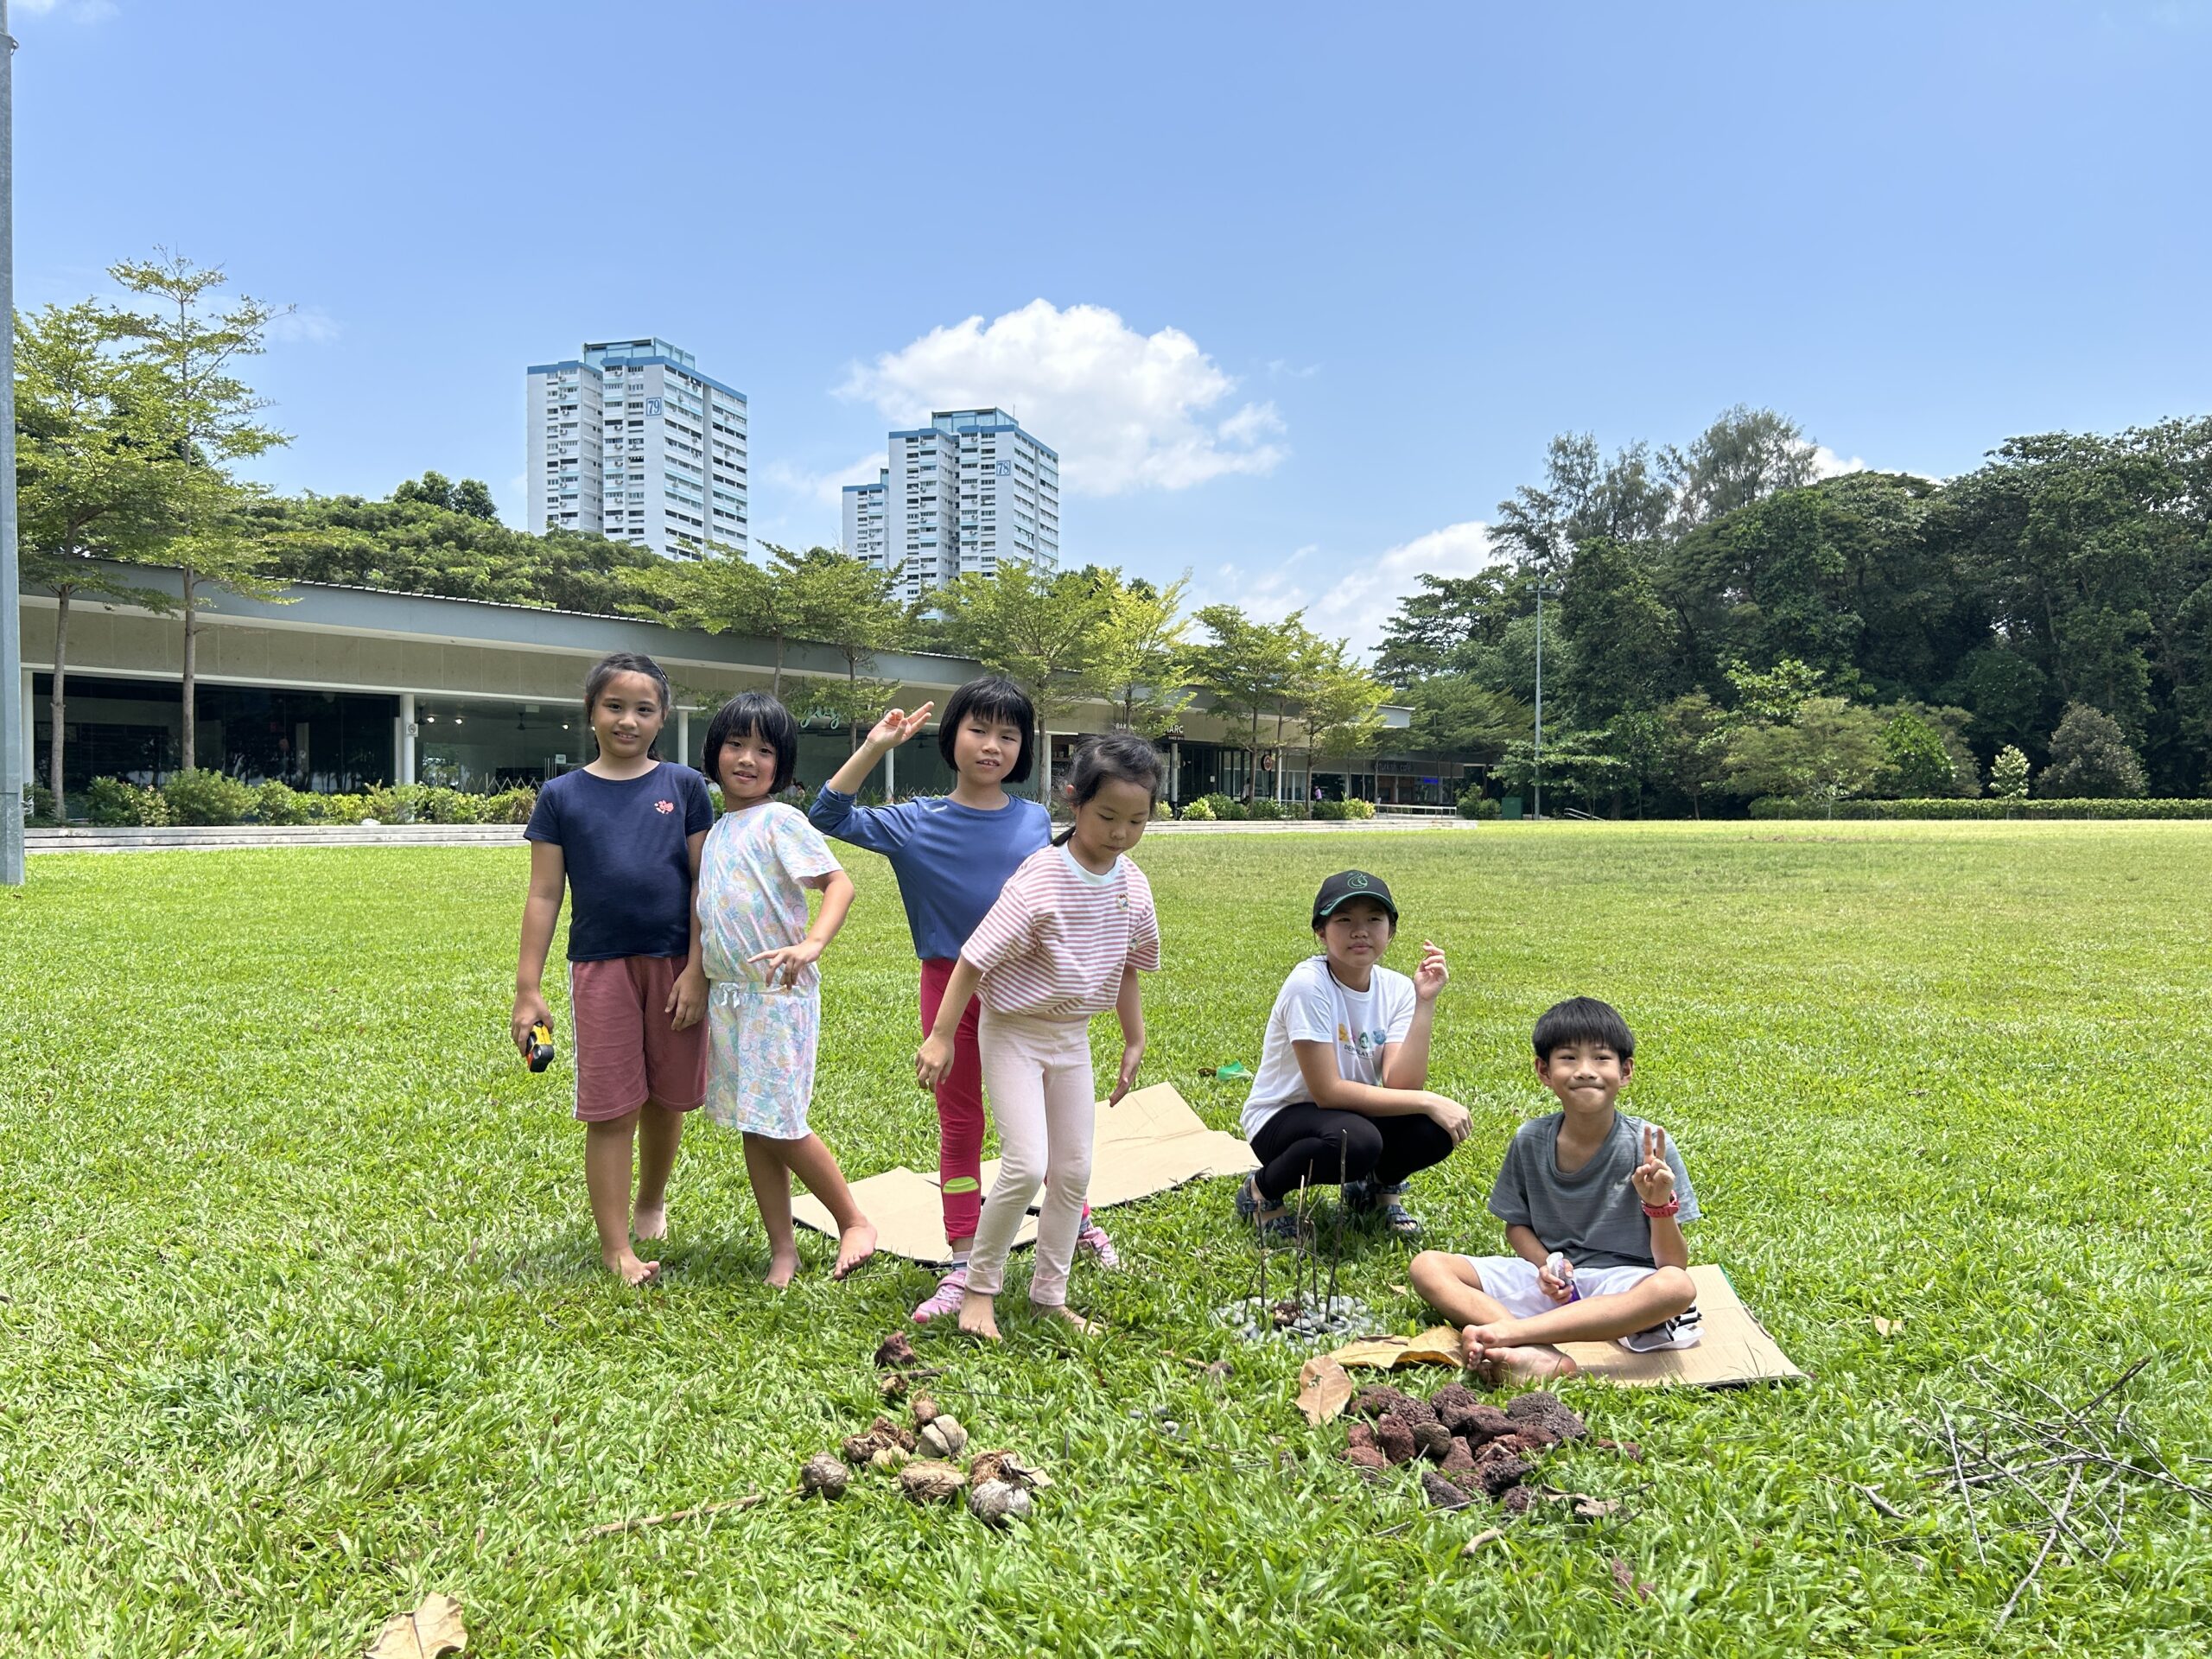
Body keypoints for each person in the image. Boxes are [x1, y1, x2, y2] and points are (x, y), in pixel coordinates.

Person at [810, 677, 1122, 1324]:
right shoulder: (913, 823)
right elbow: (828, 815)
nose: (992, 746)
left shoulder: (1035, 820)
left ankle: (1076, 1218)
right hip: (949, 989)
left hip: (1028, 992)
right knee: (962, 1124)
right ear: (950, 737)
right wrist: (875, 745)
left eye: (1009, 735)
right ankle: (962, 1257)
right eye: (978, 730)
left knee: (1050, 1125)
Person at [914, 733, 1163, 1341]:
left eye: (1136, 821)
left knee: (1074, 1170)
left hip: (1071, 1038)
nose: (1120, 833)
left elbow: (1130, 963)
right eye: (1107, 817)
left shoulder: (1132, 884)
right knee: (1026, 1165)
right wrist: (941, 1036)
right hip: (1015, 1034)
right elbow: (972, 958)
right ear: (1073, 803)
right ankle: (979, 1288)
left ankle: (1049, 1295)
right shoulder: (1043, 876)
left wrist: (1133, 1038)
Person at [513, 652, 711, 1286]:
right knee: (611, 1109)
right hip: (600, 969)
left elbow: (704, 884)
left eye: (643, 709)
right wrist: (528, 988)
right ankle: (616, 1246)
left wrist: (699, 970)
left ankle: (651, 1199)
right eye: (614, 706)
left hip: (678, 964)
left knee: (666, 1099)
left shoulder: (683, 787)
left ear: (663, 719)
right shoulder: (561, 795)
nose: (628, 720)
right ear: (591, 713)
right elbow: (545, 895)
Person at [1408, 995, 1701, 1384]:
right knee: (1427, 1265)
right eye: (1568, 1058)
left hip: (1624, 1285)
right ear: (1544, 1071)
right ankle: (1536, 1349)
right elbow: (1517, 1225)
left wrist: (1659, 1205)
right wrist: (1545, 1264)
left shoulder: (1649, 1145)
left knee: (1676, 1288)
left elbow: (1672, 1265)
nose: (1585, 1071)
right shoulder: (1530, 1139)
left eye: (1601, 1058)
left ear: (1626, 1071)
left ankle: (1512, 1334)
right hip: (1556, 1282)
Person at [696, 692, 875, 1287]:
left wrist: (813, 945)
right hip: (731, 998)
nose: (747, 759)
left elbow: (839, 884)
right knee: (756, 1124)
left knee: (782, 1123)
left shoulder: (780, 820)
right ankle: (784, 1248)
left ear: (783, 764)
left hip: (779, 994)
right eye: (736, 744)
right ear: (714, 751)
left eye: (764, 750)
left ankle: (853, 1220)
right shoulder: (719, 830)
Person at [1233, 871, 1467, 1242]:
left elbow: (1400, 1084)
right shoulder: (1308, 985)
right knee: (1358, 1141)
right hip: (1280, 1119)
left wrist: (1425, 1001)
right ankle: (1260, 1192)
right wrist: (1428, 1100)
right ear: (1321, 932)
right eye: (1344, 920)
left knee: (1434, 1128)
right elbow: (1327, 1092)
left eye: (1374, 919)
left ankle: (1374, 1190)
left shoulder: (1397, 988)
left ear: (1390, 931)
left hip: (1347, 1117)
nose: (1361, 931)